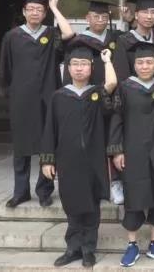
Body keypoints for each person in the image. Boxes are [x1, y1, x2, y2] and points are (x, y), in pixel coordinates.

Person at [40, 39, 117, 268]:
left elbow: (112, 83)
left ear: (91, 68)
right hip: (68, 160)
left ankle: (88, 250)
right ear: (68, 68)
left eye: (84, 64)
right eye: (75, 64)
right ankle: (72, 248)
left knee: (92, 206)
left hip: (93, 160)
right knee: (71, 203)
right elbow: (49, 131)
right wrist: (47, 160)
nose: (79, 68)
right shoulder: (59, 97)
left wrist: (107, 60)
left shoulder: (96, 94)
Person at [0, 0, 74, 208]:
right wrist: (10, 92)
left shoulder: (50, 34)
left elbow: (69, 34)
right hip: (21, 98)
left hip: (48, 97)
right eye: (30, 9)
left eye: (39, 10)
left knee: (47, 144)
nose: (34, 13)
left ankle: (44, 191)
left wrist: (54, 8)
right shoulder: (12, 36)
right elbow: (5, 68)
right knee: (21, 146)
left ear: (44, 13)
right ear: (24, 12)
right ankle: (20, 192)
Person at [108, 41, 154, 267]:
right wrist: (117, 150)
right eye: (140, 62)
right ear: (134, 64)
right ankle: (132, 245)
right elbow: (117, 118)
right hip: (133, 148)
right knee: (134, 196)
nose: (145, 66)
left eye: (149, 62)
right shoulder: (125, 87)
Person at [62, 0, 127, 205]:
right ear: (87, 18)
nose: (100, 20)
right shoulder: (79, 41)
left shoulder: (116, 38)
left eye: (104, 17)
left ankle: (116, 182)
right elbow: (71, 71)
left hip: (113, 96)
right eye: (96, 16)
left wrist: (129, 18)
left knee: (113, 139)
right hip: (89, 97)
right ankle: (96, 183)